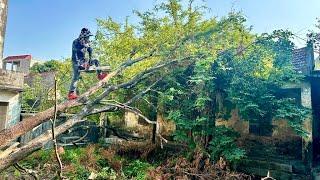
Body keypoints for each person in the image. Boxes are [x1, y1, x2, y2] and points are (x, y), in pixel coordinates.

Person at [68, 28, 107, 100]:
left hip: (83, 60)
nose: (88, 38)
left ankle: (100, 75)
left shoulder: (87, 42)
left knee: (96, 61)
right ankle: (71, 93)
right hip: (76, 61)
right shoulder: (76, 42)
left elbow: (90, 51)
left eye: (88, 37)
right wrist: (78, 65)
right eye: (87, 37)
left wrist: (90, 60)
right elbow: (75, 53)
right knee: (76, 76)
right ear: (83, 36)